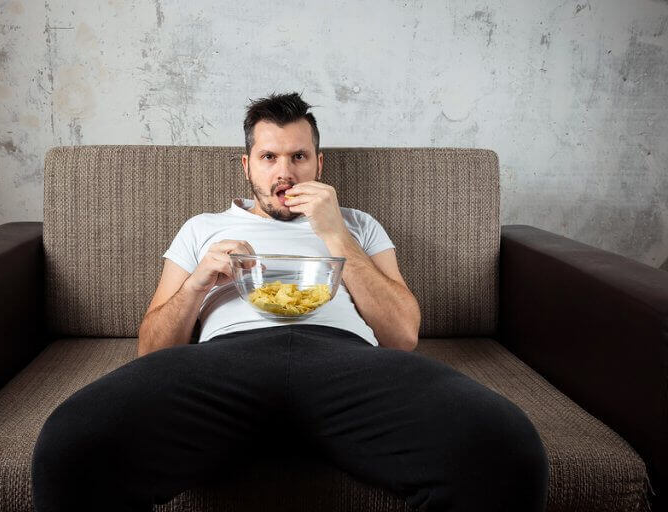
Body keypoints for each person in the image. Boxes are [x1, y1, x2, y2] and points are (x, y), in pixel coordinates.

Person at [32, 92, 549, 511]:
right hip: (223, 363)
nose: (286, 172)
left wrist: (335, 234)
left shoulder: (359, 224)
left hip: (344, 360)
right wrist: (197, 284)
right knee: (71, 443)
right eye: (269, 157)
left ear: (318, 163)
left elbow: (402, 335)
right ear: (247, 166)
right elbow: (152, 349)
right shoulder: (202, 229)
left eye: (299, 157)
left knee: (504, 446)